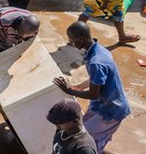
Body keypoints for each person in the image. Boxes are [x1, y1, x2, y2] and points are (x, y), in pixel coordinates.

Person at [53, 22, 131, 153]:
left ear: (80, 39)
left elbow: (94, 94)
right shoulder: (99, 50)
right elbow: (97, 79)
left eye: (71, 40)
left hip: (111, 110)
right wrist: (79, 87)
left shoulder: (96, 62)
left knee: (88, 139)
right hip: (101, 104)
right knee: (86, 133)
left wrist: (69, 91)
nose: (71, 43)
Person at [0, 6, 41, 121]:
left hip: (7, 46)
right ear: (20, 24)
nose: (21, 37)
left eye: (24, 36)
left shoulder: (33, 29)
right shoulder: (4, 20)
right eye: (20, 33)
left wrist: (16, 54)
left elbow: (27, 43)